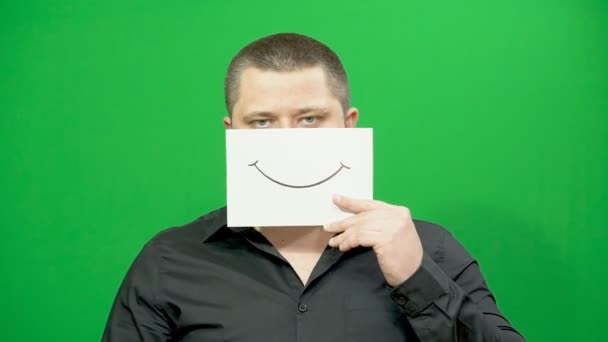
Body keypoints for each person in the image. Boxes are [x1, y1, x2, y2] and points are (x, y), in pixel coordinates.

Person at [102, 33, 524, 341]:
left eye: (309, 119)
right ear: (232, 132)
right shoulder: (170, 260)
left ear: (348, 123)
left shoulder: (428, 249)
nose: (288, 139)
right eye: (262, 122)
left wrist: (417, 280)